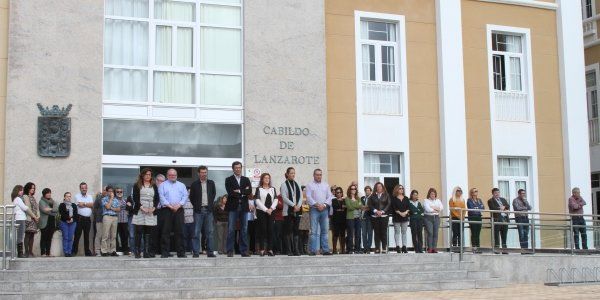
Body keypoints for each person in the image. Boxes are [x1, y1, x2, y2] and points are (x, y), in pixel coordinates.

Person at [225, 161, 253, 257]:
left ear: (241, 168)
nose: (238, 169)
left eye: (239, 167)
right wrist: (243, 192)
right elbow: (230, 192)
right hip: (233, 207)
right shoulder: (228, 179)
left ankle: (244, 251)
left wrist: (239, 191)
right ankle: (229, 250)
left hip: (244, 207)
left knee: (244, 229)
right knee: (231, 229)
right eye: (236, 167)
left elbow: (249, 191)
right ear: (233, 169)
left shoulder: (246, 179)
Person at [158, 169, 188, 258]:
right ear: (167, 176)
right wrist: (170, 206)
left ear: (176, 175)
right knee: (165, 232)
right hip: (167, 210)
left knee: (180, 232)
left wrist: (179, 205)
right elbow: (161, 197)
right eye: (171, 175)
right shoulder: (162, 185)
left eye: (174, 175)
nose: (173, 176)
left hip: (179, 210)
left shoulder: (181, 185)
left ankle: (181, 252)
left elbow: (185, 196)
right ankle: (165, 252)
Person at [132, 167, 160, 258]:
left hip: (150, 210)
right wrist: (141, 207)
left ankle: (146, 251)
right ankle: (137, 251)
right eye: (146, 174)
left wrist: (154, 208)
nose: (148, 176)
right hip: (140, 209)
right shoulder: (137, 185)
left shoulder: (154, 185)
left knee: (148, 232)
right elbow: (135, 198)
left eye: (149, 174)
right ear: (142, 175)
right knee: (139, 231)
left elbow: (157, 198)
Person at [190, 166, 217, 258]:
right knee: (196, 232)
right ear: (198, 173)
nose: (204, 174)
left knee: (210, 232)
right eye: (202, 172)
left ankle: (210, 252)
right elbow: (192, 197)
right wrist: (197, 206)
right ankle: (196, 252)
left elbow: (213, 194)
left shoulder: (211, 183)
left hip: (209, 211)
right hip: (198, 211)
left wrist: (209, 205)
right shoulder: (194, 184)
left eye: (205, 172)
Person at [306, 169, 333, 256]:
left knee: (325, 231)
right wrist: (317, 205)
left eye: (320, 175)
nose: (319, 176)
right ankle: (313, 250)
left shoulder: (326, 185)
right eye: (317, 175)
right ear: (313, 175)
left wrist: (324, 205)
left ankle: (325, 250)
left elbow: (330, 197)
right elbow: (308, 197)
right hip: (314, 209)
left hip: (324, 210)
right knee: (314, 231)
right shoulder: (310, 185)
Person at [280, 167, 303, 256]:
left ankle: (296, 249)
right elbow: (284, 197)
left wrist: (298, 206)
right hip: (288, 211)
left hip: (297, 210)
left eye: (294, 173)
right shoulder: (284, 185)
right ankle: (289, 250)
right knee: (288, 230)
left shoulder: (297, 184)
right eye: (291, 173)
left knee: (296, 230)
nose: (293, 174)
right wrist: (293, 205)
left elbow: (300, 196)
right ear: (287, 174)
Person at [255, 173, 278, 256]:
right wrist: (266, 210)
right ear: (262, 179)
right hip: (261, 212)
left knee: (271, 230)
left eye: (268, 178)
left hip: (271, 211)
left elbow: (276, 199)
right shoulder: (259, 189)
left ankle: (270, 249)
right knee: (263, 230)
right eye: (265, 178)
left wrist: (271, 209)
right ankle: (262, 249)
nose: (267, 179)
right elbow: (257, 200)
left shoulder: (272, 189)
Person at [12, 185, 37, 258]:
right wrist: (34, 216)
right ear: (17, 191)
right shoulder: (18, 199)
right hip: (20, 219)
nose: (22, 192)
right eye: (20, 190)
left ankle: (20, 253)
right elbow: (25, 208)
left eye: (22, 190)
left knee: (20, 236)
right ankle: (20, 253)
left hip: (20, 218)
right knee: (20, 236)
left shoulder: (16, 199)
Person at [368, 182, 390, 254]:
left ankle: (384, 248)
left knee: (383, 232)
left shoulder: (386, 195)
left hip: (384, 216)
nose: (379, 188)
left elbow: (388, 204)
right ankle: (377, 248)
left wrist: (382, 211)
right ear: (375, 188)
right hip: (375, 216)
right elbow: (370, 205)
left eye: (380, 186)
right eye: (377, 187)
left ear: (382, 187)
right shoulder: (372, 196)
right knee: (376, 233)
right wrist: (376, 211)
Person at [73, 182, 94, 257]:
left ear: (87, 188)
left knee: (87, 236)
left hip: (87, 219)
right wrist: (87, 204)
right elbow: (79, 205)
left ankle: (87, 252)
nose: (84, 189)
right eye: (82, 188)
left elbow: (92, 205)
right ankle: (74, 252)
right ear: (80, 189)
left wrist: (84, 204)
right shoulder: (77, 196)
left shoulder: (90, 196)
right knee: (77, 236)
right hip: (79, 218)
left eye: (85, 188)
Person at [487, 188, 510, 254]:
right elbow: (492, 208)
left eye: (498, 192)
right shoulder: (490, 200)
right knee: (496, 235)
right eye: (496, 193)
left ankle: (504, 249)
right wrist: (501, 208)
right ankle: (497, 249)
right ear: (493, 194)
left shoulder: (503, 199)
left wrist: (504, 207)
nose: (497, 194)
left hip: (505, 219)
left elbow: (508, 206)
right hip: (497, 220)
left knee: (504, 235)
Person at [38, 188, 58, 257]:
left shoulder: (53, 201)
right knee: (44, 237)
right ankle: (43, 253)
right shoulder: (41, 201)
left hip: (52, 221)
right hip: (44, 222)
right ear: (44, 194)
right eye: (47, 193)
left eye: (50, 193)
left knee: (49, 237)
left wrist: (50, 209)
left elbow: (56, 210)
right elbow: (44, 210)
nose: (49, 194)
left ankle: (48, 253)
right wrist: (52, 210)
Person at [101, 186, 120, 256]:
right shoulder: (104, 199)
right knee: (105, 234)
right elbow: (107, 207)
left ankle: (113, 250)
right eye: (109, 191)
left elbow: (118, 209)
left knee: (113, 235)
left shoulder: (116, 200)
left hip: (114, 217)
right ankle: (104, 251)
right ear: (106, 192)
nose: (110, 193)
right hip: (107, 217)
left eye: (112, 191)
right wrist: (111, 199)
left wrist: (112, 208)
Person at [391, 184, 410, 253]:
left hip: (405, 217)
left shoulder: (406, 198)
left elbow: (408, 207)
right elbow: (394, 208)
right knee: (397, 232)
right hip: (397, 217)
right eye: (400, 188)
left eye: (402, 188)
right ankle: (397, 246)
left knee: (404, 232)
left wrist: (405, 212)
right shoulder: (394, 198)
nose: (401, 189)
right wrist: (400, 213)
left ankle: (404, 246)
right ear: (396, 189)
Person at [22, 182, 39, 258]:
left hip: (34, 219)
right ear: (28, 188)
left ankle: (31, 252)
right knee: (28, 234)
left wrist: (38, 216)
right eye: (31, 188)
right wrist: (34, 217)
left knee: (32, 235)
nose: (33, 189)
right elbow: (27, 208)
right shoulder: (25, 196)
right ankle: (26, 252)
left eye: (34, 188)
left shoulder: (33, 197)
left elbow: (36, 208)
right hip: (29, 219)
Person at [59, 192, 78, 257]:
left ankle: (69, 252)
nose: (68, 198)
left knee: (70, 237)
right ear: (64, 197)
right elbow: (62, 213)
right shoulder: (62, 205)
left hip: (73, 223)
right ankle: (66, 252)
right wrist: (68, 219)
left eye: (69, 196)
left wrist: (72, 219)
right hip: (64, 222)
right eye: (67, 196)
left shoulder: (73, 205)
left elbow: (75, 214)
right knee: (65, 237)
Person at [344, 184, 362, 254]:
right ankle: (350, 249)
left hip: (358, 218)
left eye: (354, 189)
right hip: (350, 218)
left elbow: (360, 206)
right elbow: (349, 207)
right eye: (352, 189)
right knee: (350, 234)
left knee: (358, 234)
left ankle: (357, 249)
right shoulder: (347, 198)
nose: (353, 190)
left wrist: (354, 204)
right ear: (350, 190)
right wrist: (356, 204)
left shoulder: (358, 198)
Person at [423, 188, 442, 253]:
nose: (433, 195)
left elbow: (441, 208)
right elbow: (428, 209)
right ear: (429, 194)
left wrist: (433, 207)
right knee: (430, 233)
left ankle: (434, 248)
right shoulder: (426, 201)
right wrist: (436, 209)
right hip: (428, 217)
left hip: (436, 217)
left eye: (434, 194)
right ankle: (430, 248)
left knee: (435, 233)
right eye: (431, 194)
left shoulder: (438, 200)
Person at [152, 173, 166, 257]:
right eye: (159, 180)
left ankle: (163, 251)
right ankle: (154, 250)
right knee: (154, 232)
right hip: (154, 211)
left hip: (164, 212)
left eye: (162, 181)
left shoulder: (165, 189)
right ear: (155, 180)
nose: (160, 182)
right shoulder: (152, 189)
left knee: (164, 232)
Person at [467, 188, 485, 254]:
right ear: (471, 193)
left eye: (477, 191)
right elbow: (471, 208)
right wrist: (478, 208)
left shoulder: (479, 200)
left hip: (479, 217)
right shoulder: (469, 200)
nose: (476, 192)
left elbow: (483, 207)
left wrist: (476, 208)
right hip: (472, 217)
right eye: (474, 191)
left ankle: (478, 248)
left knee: (478, 233)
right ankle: (474, 248)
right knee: (474, 233)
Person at [331, 187, 346, 254]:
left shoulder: (345, 200)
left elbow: (345, 209)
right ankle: (334, 249)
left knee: (342, 234)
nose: (339, 194)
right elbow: (333, 209)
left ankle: (343, 249)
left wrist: (340, 209)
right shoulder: (333, 200)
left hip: (343, 219)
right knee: (335, 234)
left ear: (342, 193)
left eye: (340, 192)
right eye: (337, 192)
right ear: (335, 193)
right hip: (335, 219)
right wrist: (341, 209)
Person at [115, 187, 130, 255]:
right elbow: (115, 207)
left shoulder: (126, 200)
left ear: (123, 193)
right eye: (118, 192)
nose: (119, 193)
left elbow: (129, 207)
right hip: (116, 220)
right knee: (115, 236)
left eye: (121, 192)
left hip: (124, 220)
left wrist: (127, 207)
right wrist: (123, 206)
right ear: (115, 193)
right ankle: (116, 249)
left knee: (124, 236)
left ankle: (125, 250)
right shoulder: (114, 200)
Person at [93, 187, 107, 256]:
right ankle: (97, 251)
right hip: (99, 219)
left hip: (107, 220)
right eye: (104, 190)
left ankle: (104, 250)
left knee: (106, 236)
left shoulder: (110, 199)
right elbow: (94, 208)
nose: (105, 191)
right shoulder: (99, 198)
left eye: (106, 190)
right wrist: (98, 214)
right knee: (99, 235)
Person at [298, 187, 311, 255]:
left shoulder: (309, 199)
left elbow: (310, 207)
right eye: (304, 190)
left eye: (306, 191)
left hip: (308, 217)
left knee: (306, 233)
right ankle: (300, 249)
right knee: (301, 233)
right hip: (301, 217)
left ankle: (305, 248)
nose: (305, 192)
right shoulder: (299, 199)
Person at [360, 186, 373, 254]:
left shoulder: (372, 198)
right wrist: (365, 207)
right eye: (366, 190)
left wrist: (365, 207)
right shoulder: (362, 198)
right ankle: (365, 247)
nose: (367, 191)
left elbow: (371, 207)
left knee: (370, 233)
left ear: (371, 191)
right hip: (362, 218)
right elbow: (360, 206)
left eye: (368, 190)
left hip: (369, 218)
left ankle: (368, 248)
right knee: (364, 233)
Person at [183, 189, 195, 254]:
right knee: (184, 236)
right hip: (184, 221)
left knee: (192, 236)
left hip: (192, 221)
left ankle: (192, 250)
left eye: (190, 192)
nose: (189, 193)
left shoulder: (194, 200)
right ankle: (184, 250)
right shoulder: (183, 199)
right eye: (188, 192)